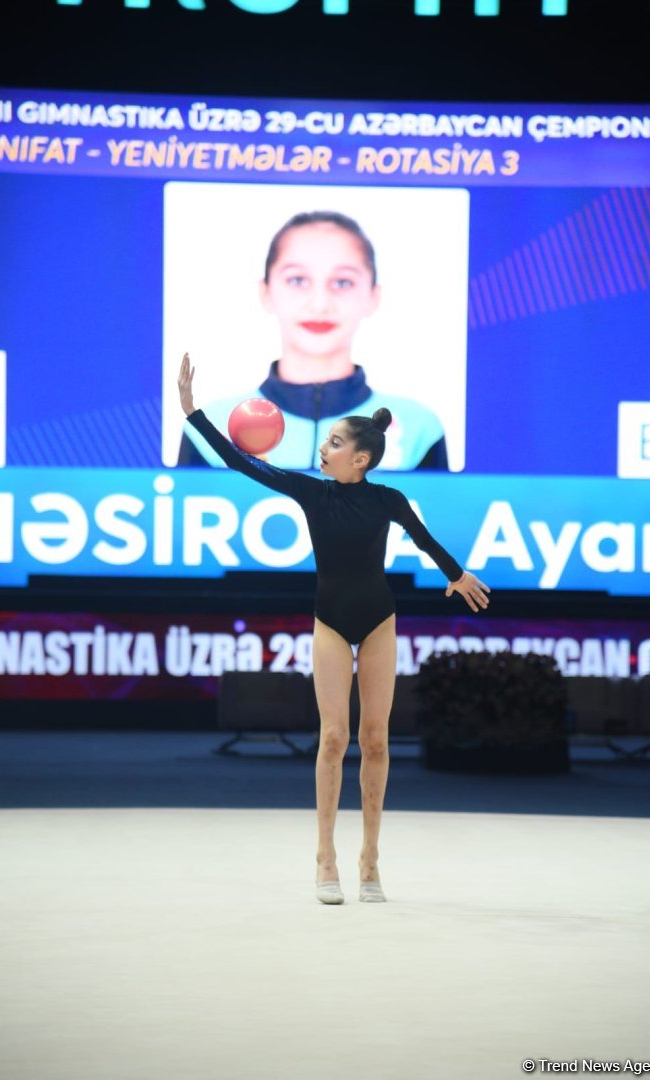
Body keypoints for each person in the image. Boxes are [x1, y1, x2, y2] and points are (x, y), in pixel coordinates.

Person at [178, 353, 489, 905]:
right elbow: (242, 464)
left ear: (361, 459)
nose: (324, 448)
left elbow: (423, 538)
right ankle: (326, 856)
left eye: (335, 444)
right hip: (329, 622)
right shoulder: (311, 492)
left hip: (378, 622)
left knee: (375, 740)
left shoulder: (387, 499)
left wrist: (456, 575)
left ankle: (370, 857)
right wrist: (192, 413)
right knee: (333, 738)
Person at [178, 210, 451, 472]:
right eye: (297, 280)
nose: (320, 304)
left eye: (343, 282)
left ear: (373, 296)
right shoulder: (210, 428)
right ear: (266, 292)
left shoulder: (419, 430)